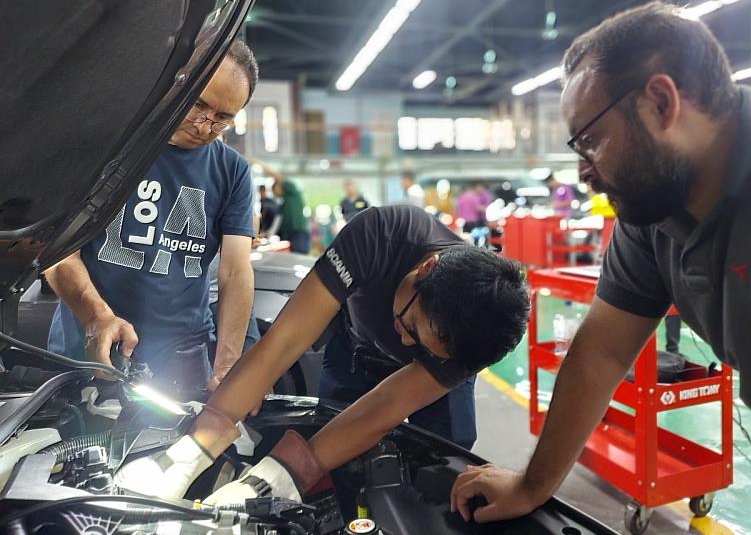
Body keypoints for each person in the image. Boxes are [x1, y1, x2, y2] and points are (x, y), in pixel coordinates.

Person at [450, 0, 751, 533]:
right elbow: (602, 351)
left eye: (590, 139)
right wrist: (532, 484)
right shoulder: (655, 214)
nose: (583, 172)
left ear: (660, 102)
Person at [115, 205, 530, 504]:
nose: (406, 344)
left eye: (422, 346)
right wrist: (192, 452)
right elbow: (285, 341)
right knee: (343, 470)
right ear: (426, 267)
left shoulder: (478, 332)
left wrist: (280, 475)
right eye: (411, 325)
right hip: (355, 352)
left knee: (441, 474)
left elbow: (387, 405)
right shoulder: (381, 236)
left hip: (431, 386)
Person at [45, 39, 258, 392]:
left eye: (222, 118)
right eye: (199, 105)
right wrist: (96, 317)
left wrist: (229, 365)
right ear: (177, 81)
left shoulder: (232, 171)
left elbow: (236, 271)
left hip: (182, 362)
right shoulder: (105, 147)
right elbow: (59, 254)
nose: (205, 127)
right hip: (89, 349)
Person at [262, 164, 311, 254]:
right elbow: (276, 224)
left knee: (299, 257)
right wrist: (266, 235)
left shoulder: (293, 193)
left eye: (273, 189)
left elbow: (279, 177)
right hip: (287, 236)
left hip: (298, 232)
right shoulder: (282, 206)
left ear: (278, 186)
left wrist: (261, 166)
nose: (273, 193)